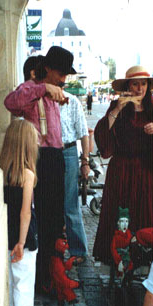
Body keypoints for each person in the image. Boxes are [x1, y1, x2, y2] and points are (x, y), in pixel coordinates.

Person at [4, 46, 76, 293]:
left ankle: (51, 271)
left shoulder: (57, 91)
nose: (64, 79)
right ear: (48, 69)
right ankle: (39, 277)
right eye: (61, 73)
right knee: (39, 217)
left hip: (55, 157)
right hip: (38, 158)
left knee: (55, 218)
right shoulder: (31, 88)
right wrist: (43, 88)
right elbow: (11, 103)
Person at [93, 65, 153, 265]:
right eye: (135, 84)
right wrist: (117, 107)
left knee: (146, 214)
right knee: (120, 215)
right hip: (122, 172)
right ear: (128, 85)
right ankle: (117, 257)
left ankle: (145, 257)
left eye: (143, 84)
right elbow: (102, 133)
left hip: (147, 173)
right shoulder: (119, 108)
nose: (140, 88)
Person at [0, 119, 46, 306]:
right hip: (23, 240)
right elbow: (25, 212)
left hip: (4, 237)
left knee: (9, 282)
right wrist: (21, 241)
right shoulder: (27, 174)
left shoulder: (2, 170)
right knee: (23, 284)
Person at [60, 91, 89, 262]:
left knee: (70, 204)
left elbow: (83, 132)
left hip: (68, 152)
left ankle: (78, 250)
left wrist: (85, 161)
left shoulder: (72, 101)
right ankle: (53, 248)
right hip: (46, 153)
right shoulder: (41, 98)